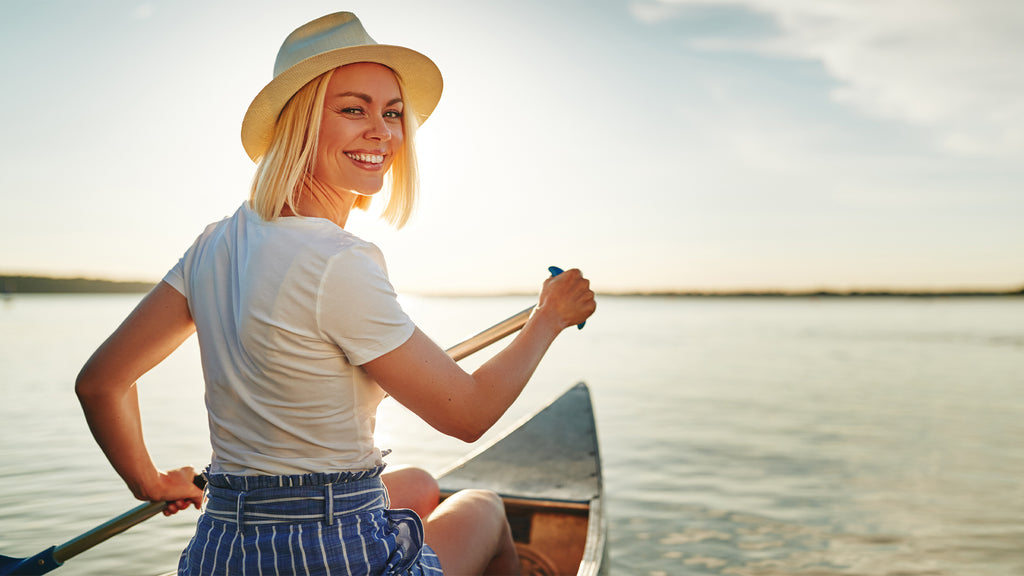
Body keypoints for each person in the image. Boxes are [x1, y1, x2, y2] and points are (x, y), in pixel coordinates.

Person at [75, 11, 595, 576]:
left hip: (222, 548)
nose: (383, 131)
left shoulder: (213, 244)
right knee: (486, 510)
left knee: (419, 484)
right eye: (354, 109)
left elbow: (102, 383)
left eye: (392, 113)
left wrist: (148, 481)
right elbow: (467, 415)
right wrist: (549, 317)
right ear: (300, 123)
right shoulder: (338, 260)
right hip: (330, 557)